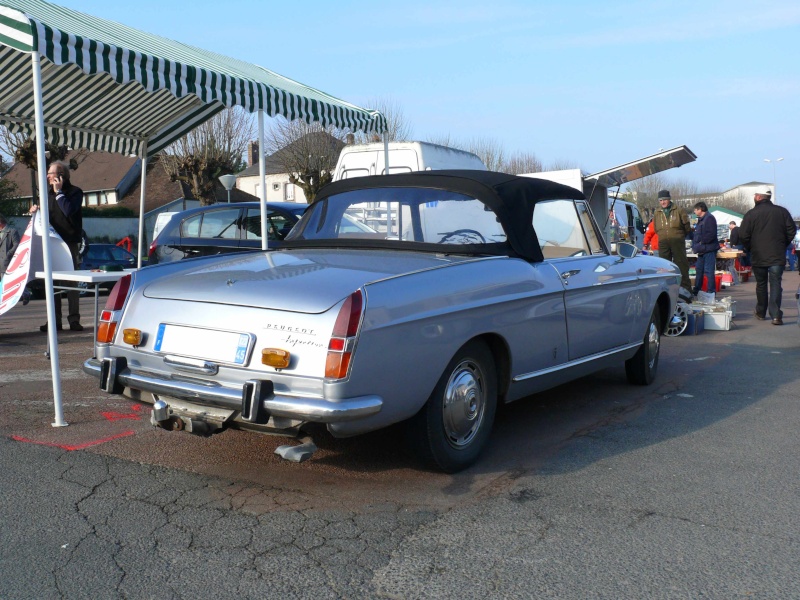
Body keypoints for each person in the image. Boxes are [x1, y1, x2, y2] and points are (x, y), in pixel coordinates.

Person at [29, 160, 84, 332]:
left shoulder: (75, 192)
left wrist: (59, 193)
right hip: (52, 243)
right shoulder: (46, 195)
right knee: (52, 283)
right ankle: (55, 320)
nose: (47, 176)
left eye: (50, 173)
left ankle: (74, 319)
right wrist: (35, 211)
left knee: (71, 283)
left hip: (69, 242)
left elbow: (68, 211)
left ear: (60, 176)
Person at [738, 189, 797, 325]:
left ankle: (760, 312)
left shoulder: (751, 214)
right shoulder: (782, 212)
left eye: (754, 195)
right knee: (776, 284)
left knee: (761, 284)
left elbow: (743, 235)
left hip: (758, 255)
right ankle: (776, 315)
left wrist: (751, 247)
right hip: (777, 254)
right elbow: (791, 230)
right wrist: (782, 244)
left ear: (758, 197)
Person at [653, 189, 692, 298]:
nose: (662, 202)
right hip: (663, 242)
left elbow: (687, 227)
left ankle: (686, 291)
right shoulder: (657, 212)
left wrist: (678, 235)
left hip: (677, 241)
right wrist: (663, 235)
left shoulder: (679, 210)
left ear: (669, 199)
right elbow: (656, 228)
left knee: (681, 265)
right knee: (664, 266)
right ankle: (666, 291)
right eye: (660, 200)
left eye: (664, 200)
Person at [691, 202, 719, 296]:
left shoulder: (709, 218)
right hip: (702, 250)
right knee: (699, 270)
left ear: (701, 209)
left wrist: (701, 242)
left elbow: (711, 234)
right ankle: (697, 290)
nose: (694, 211)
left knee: (709, 271)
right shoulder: (700, 220)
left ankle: (711, 292)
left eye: (695, 209)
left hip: (708, 249)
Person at [0, 213, 21, 282]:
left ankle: (26, 293)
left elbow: (17, 245)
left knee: (6, 283)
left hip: (6, 263)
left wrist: (8, 254)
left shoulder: (12, 231)